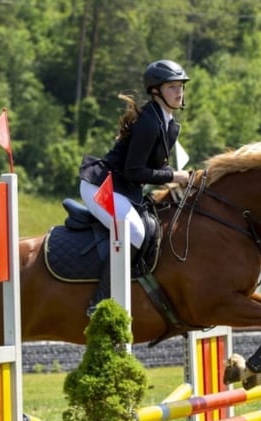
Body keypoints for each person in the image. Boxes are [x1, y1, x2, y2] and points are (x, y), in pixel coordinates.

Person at [79, 59, 192, 318]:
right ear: (156, 91)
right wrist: (175, 175)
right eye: (173, 87)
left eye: (181, 87)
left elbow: (150, 169)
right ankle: (100, 301)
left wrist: (176, 179)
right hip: (101, 186)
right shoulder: (150, 122)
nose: (179, 92)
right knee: (134, 232)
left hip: (125, 189)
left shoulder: (170, 124)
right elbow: (134, 171)